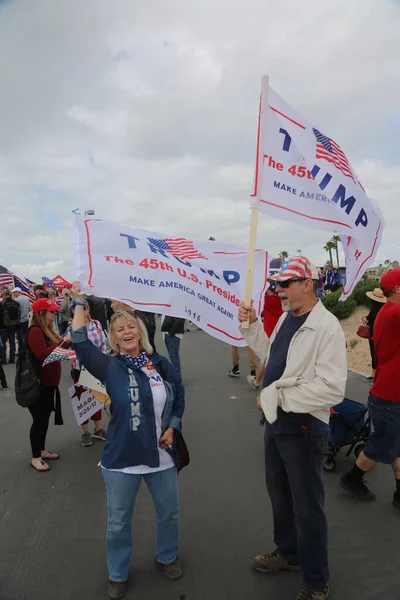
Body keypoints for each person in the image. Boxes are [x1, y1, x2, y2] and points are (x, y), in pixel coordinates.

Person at [238, 256, 347, 600]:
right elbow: (273, 356)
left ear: (307, 284)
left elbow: (332, 389)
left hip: (303, 426)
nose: (279, 290)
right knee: (280, 494)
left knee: (307, 506)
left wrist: (278, 397)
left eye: (285, 284)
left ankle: (316, 582)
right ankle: (288, 553)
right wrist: (253, 326)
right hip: (276, 421)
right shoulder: (287, 317)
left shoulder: (326, 326)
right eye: (276, 284)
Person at [71, 287, 185, 600]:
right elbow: (79, 341)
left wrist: (173, 427)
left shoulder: (160, 364)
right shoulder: (110, 366)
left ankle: (168, 555)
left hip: (162, 455)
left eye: (131, 326)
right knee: (119, 521)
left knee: (169, 513)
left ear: (141, 330)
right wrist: (79, 302)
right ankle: (118, 574)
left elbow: (178, 399)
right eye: (119, 329)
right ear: (114, 338)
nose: (127, 332)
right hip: (122, 458)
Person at [340, 269, 400, 509]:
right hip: (389, 395)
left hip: (389, 391)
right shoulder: (394, 311)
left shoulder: (387, 312)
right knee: (382, 444)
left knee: (394, 443)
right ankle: (352, 478)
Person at [26, 297, 65, 472]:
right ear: (41, 313)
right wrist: (62, 343)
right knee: (39, 420)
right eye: (51, 311)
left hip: (48, 383)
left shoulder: (45, 330)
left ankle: (41, 450)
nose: (54, 313)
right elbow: (42, 354)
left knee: (44, 418)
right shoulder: (35, 331)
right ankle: (36, 457)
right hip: (39, 384)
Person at [67, 299, 107, 446]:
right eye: (74, 309)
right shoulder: (72, 327)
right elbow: (68, 349)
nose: (77, 311)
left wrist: (103, 362)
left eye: (81, 308)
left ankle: (98, 429)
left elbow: (103, 344)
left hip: (96, 368)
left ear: (87, 310)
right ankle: (85, 433)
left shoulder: (96, 324)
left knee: (96, 398)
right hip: (79, 369)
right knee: (82, 400)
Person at [247, 282, 283, 390]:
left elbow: (253, 300)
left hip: (268, 332)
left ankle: (257, 381)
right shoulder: (283, 300)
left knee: (266, 357)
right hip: (281, 330)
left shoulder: (266, 300)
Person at [361, 287, 386, 383]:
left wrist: (364, 318)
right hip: (380, 334)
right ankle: (376, 376)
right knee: (378, 355)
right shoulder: (383, 307)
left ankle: (375, 376)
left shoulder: (375, 308)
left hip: (374, 334)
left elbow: (369, 318)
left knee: (374, 355)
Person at [161, 315, 185, 384]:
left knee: (174, 356)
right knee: (173, 356)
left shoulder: (176, 306)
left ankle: (177, 379)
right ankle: (176, 377)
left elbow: (179, 319)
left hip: (172, 335)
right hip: (168, 334)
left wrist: (172, 332)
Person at [0, 289, 21, 364]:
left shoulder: (2, 303)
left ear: (4, 295)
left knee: (3, 344)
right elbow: (19, 314)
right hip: (14, 326)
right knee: (12, 343)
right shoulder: (16, 303)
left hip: (3, 326)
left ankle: (3, 359)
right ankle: (12, 359)